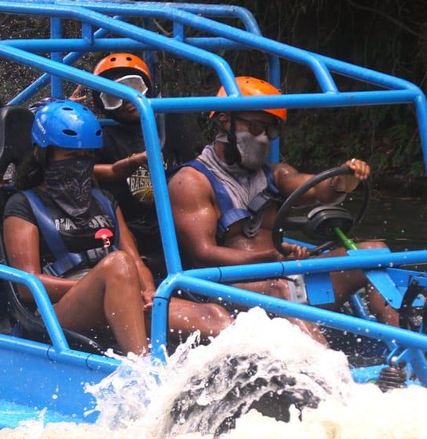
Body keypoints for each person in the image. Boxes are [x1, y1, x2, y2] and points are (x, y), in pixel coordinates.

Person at [167, 76, 400, 342]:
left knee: (373, 252)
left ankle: (401, 346)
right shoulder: (191, 182)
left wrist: (343, 181)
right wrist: (270, 258)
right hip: (228, 288)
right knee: (279, 289)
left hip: (284, 274)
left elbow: (315, 189)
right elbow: (203, 255)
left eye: (270, 131)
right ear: (224, 121)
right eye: (255, 127)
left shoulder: (276, 175)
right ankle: (328, 364)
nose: (263, 138)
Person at [3, 100, 232, 355]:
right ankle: (143, 366)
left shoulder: (104, 200)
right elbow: (26, 285)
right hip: (59, 308)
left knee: (214, 315)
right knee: (118, 265)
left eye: (87, 157)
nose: (81, 165)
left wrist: (147, 290)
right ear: (44, 155)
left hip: (121, 290)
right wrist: (108, 286)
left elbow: (136, 261)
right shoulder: (22, 205)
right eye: (72, 156)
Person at [72, 53, 202, 277]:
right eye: (113, 97)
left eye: (134, 87)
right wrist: (73, 116)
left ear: (147, 88)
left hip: (171, 216)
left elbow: (196, 161)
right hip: (128, 222)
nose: (126, 101)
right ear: (102, 104)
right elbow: (71, 168)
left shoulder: (170, 121)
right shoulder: (102, 136)